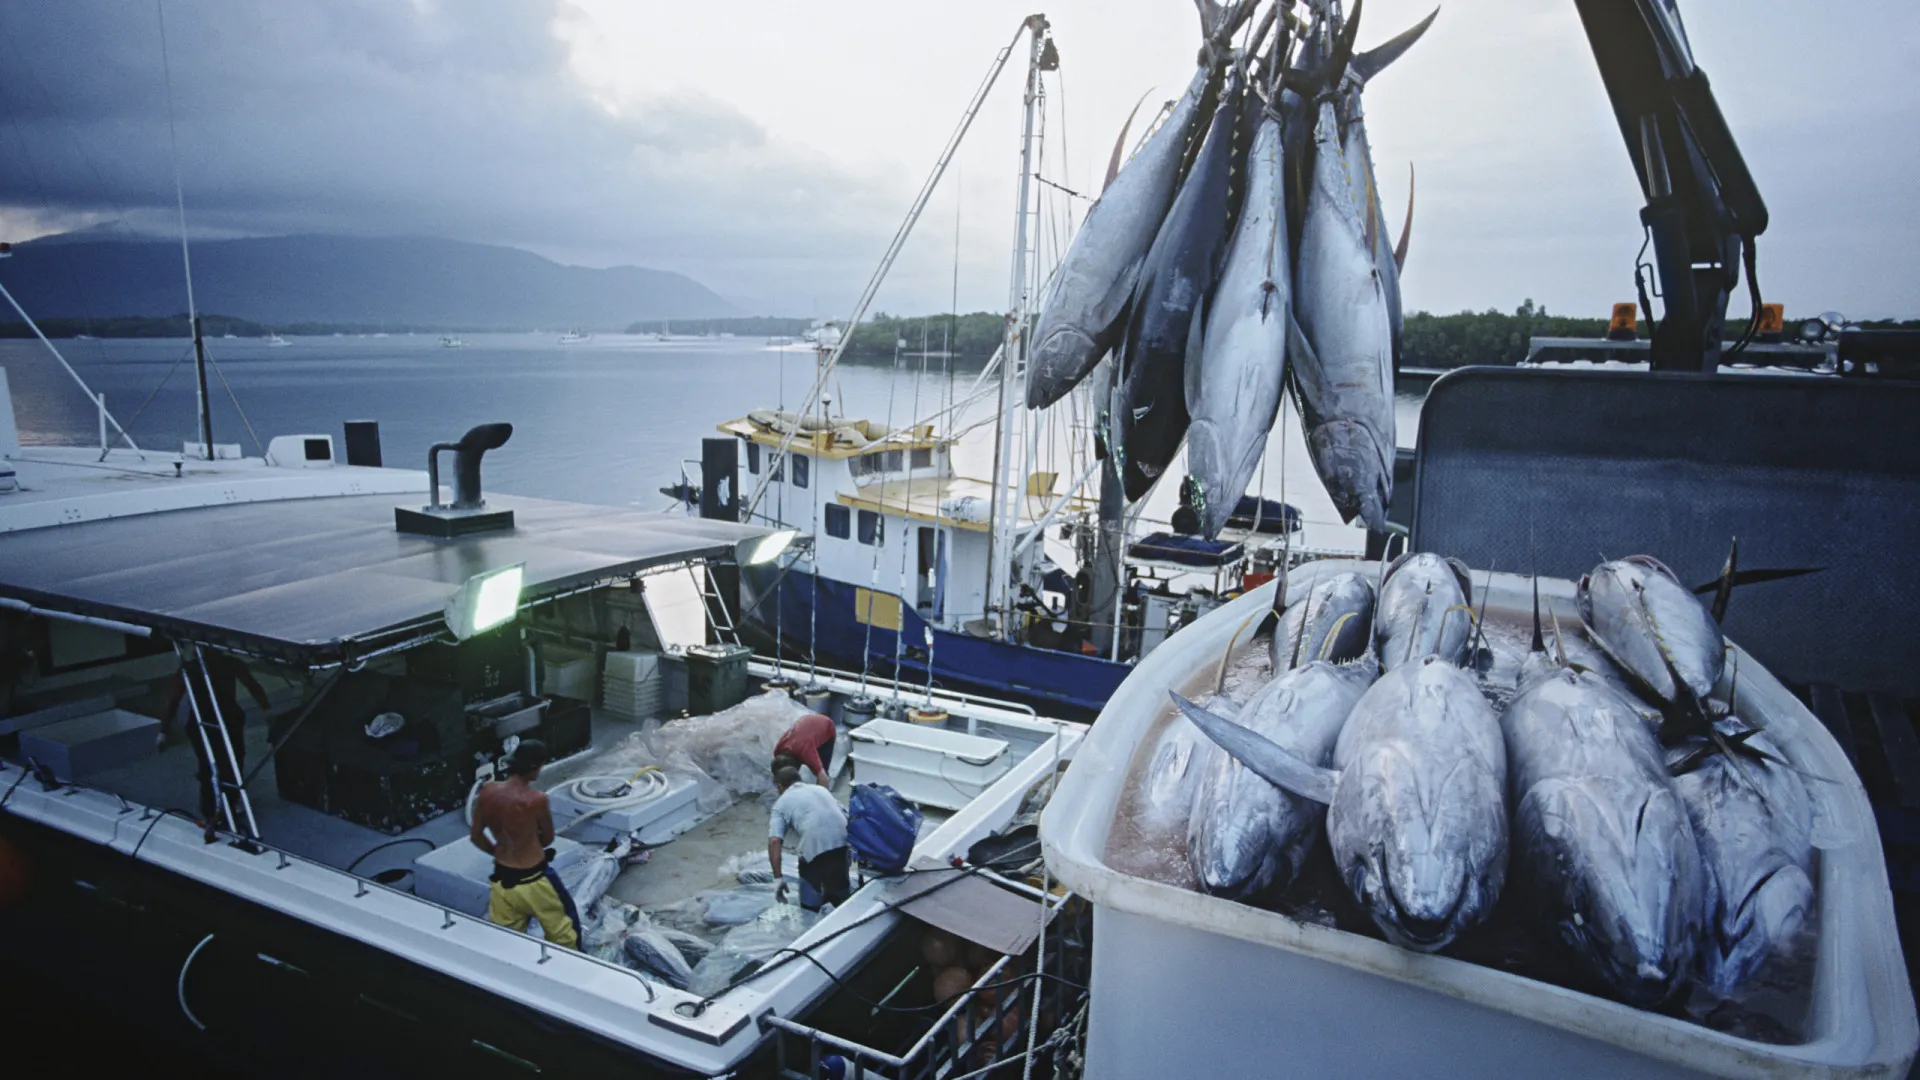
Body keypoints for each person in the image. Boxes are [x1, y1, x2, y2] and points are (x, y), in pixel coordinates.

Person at [469, 739, 580, 949]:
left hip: (502, 879)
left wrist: (497, 851)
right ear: (533, 767)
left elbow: (476, 836)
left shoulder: (487, 791)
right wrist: (530, 843)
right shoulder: (536, 799)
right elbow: (548, 838)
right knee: (565, 931)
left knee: (506, 937)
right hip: (535, 879)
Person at [163, 649, 271, 825]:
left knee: (225, 762)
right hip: (209, 721)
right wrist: (163, 730)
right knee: (216, 764)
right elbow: (173, 700)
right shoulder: (193, 669)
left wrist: (163, 730)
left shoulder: (202, 667)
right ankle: (213, 809)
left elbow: (173, 701)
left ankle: (225, 803)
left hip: (224, 720)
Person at [768, 764, 850, 912]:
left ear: (780, 786)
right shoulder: (820, 790)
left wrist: (778, 879)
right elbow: (844, 814)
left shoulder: (780, 804)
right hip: (843, 842)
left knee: (809, 900)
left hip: (815, 847)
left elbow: (774, 841)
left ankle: (810, 910)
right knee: (840, 894)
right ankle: (842, 910)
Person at [773, 711, 835, 788]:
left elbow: (823, 778)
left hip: (826, 725)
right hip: (807, 723)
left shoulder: (806, 752)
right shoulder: (778, 750)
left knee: (822, 771)